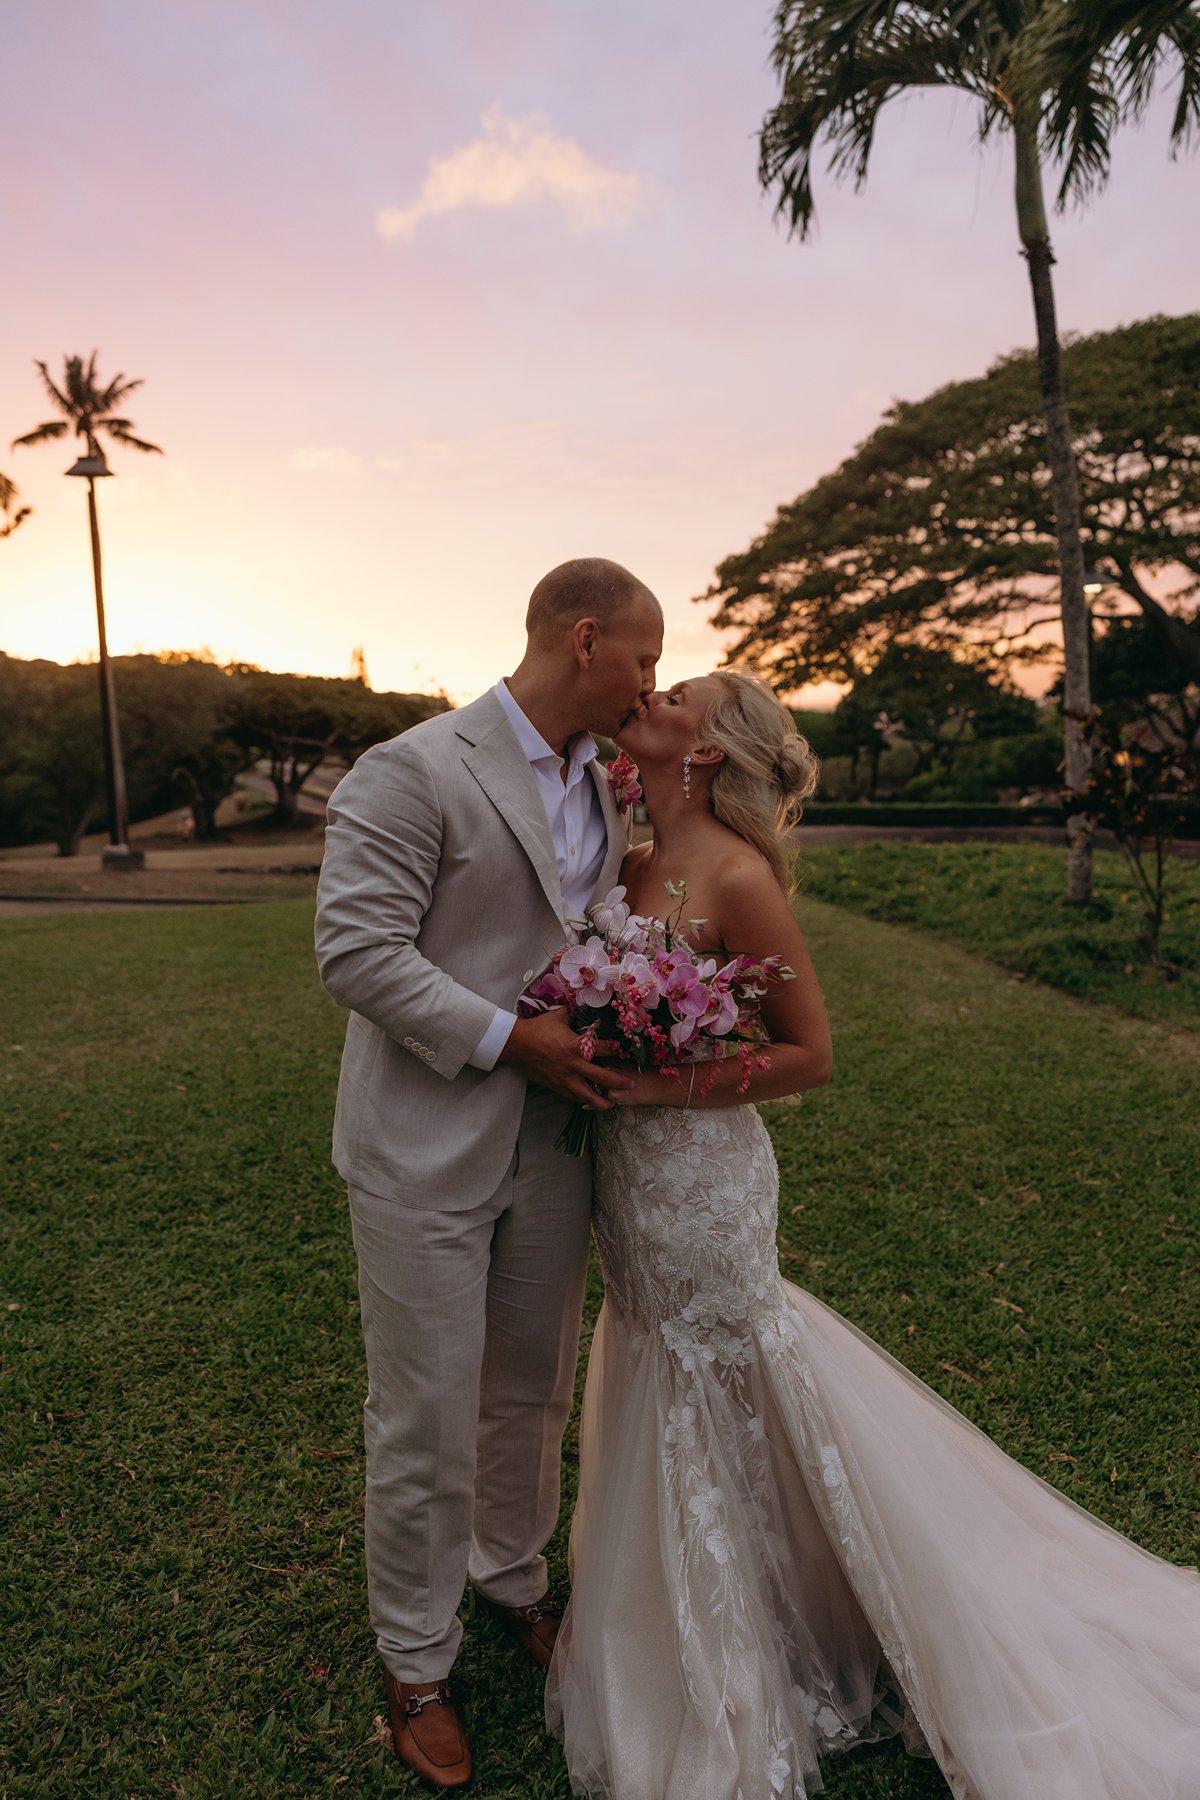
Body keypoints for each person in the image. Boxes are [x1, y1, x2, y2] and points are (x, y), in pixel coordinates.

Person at [546, 670, 1200, 1800]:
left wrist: (662, 1086)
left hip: (701, 1168)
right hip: (629, 1178)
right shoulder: (629, 855)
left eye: (682, 691)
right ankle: (739, 1593)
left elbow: (809, 1053)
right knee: (655, 1349)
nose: (653, 691)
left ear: (710, 748)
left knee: (724, 1359)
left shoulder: (740, 878)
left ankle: (786, 1624)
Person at [314, 558, 664, 1792]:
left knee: (532, 1394)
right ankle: (414, 1660)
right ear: (585, 640)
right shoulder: (414, 769)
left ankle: (511, 1583)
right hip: (424, 1141)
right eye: (643, 658)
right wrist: (515, 1039)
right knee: (424, 1417)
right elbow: (354, 952)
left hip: (557, 1149)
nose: (651, 681)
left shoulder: (612, 785)